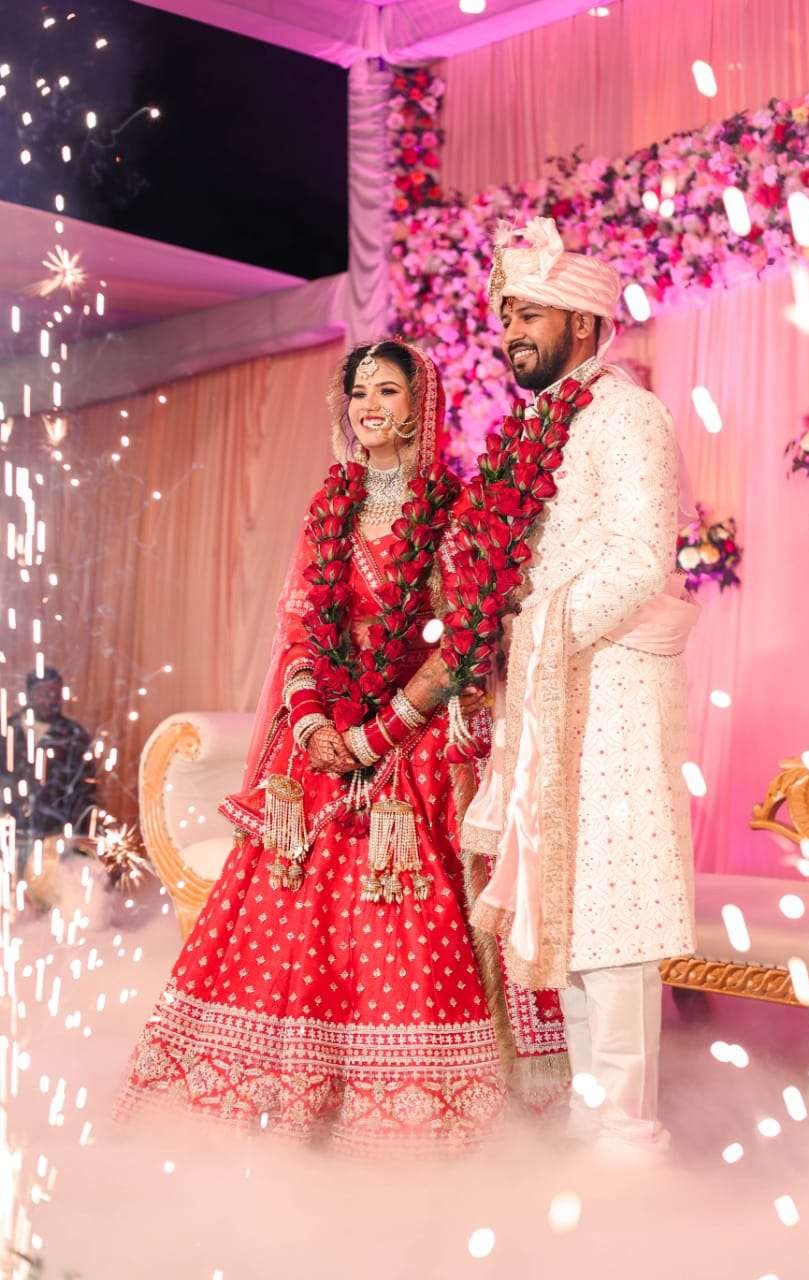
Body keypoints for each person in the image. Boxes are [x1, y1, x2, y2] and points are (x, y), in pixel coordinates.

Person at [117, 339, 505, 1153]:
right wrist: (311, 724)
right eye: (359, 391)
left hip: (412, 741)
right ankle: (280, 1093)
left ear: (419, 406)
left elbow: (463, 645)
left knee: (392, 906)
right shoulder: (327, 510)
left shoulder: (453, 511)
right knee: (284, 899)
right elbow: (299, 628)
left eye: (387, 390)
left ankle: (393, 1108)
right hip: (321, 740)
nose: (369, 406)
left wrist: (378, 733)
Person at [464, 217, 699, 1161]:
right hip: (554, 686)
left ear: (583, 321)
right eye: (507, 315)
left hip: (614, 685)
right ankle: (591, 1122)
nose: (512, 331)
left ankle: (629, 1135)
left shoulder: (627, 414)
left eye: (530, 314)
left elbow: (641, 559)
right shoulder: (540, 426)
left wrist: (537, 634)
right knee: (560, 898)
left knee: (617, 905)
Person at [1, 667, 96, 847]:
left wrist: (78, 836)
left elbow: (85, 791)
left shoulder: (74, 735)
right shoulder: (7, 730)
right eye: (43, 693)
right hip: (8, 831)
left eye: (55, 694)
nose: (50, 699)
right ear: (29, 694)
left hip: (54, 835)